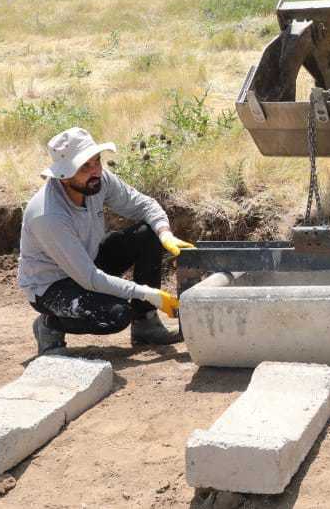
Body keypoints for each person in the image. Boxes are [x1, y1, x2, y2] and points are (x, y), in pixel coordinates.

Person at [17, 127, 196, 355]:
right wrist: (148, 294)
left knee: (147, 234)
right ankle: (49, 325)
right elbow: (90, 278)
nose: (95, 171)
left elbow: (144, 205)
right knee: (116, 315)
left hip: (86, 262)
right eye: (85, 167)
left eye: (97, 161)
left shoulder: (97, 181)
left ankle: (145, 325)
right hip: (52, 287)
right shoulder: (48, 215)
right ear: (63, 176)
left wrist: (165, 234)